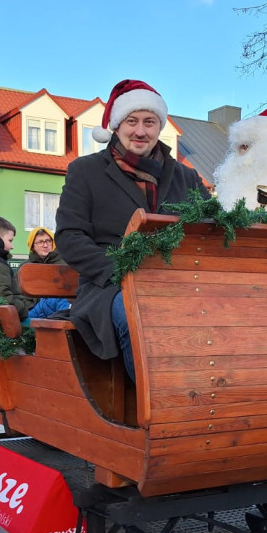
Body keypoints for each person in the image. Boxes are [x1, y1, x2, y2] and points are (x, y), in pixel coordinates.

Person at [55, 79, 208, 380]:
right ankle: (151, 406)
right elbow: (70, 236)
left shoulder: (186, 178)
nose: (140, 131)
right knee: (138, 316)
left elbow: (210, 230)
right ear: (116, 125)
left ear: (159, 126)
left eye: (149, 122)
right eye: (132, 121)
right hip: (110, 287)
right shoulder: (85, 171)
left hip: (177, 284)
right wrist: (122, 270)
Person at [22, 227, 71, 319]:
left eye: (48, 241)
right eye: (40, 242)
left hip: (59, 308)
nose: (45, 245)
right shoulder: (25, 267)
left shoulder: (64, 264)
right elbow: (20, 294)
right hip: (33, 309)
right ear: (32, 246)